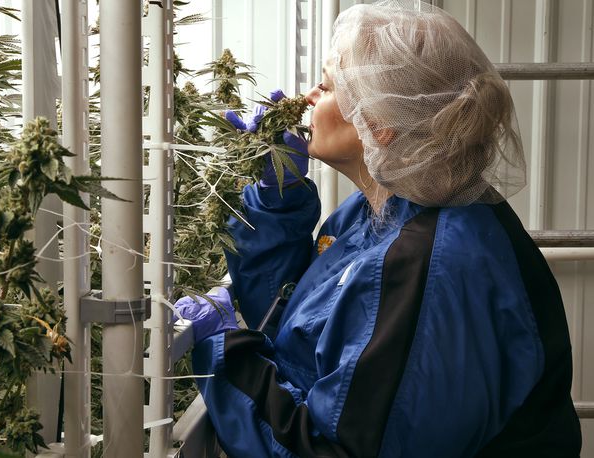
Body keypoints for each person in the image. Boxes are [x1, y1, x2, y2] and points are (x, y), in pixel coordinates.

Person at [173, 1, 583, 457]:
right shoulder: (384, 209)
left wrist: (224, 356)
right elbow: (294, 321)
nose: (307, 97)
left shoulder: (434, 266)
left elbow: (332, 450)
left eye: (326, 87)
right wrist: (279, 200)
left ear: (381, 124)